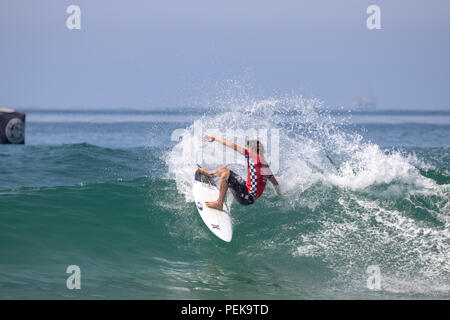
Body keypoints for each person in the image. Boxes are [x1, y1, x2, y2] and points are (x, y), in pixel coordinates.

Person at [198, 134, 281, 211]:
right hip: (247, 191)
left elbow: (231, 145)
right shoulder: (265, 165)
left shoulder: (252, 155)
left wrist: (215, 138)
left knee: (225, 174)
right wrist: (279, 195)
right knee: (224, 170)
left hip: (247, 197)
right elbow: (275, 183)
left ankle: (219, 203)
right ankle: (210, 175)